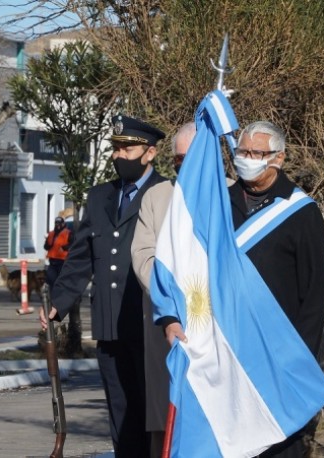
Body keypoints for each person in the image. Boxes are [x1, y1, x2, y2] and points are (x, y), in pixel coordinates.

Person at [162, 120, 324, 457]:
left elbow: (313, 296)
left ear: (278, 158)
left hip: (274, 357)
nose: (247, 159)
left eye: (256, 153)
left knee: (277, 444)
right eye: (242, 152)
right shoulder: (218, 205)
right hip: (220, 352)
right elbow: (185, 263)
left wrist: (296, 361)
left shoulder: (301, 212)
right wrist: (170, 316)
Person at [42, 114, 167, 457]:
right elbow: (81, 257)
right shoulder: (100, 196)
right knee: (120, 412)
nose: (119, 155)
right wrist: (59, 302)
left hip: (148, 325)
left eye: (128, 148)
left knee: (151, 413)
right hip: (110, 323)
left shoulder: (165, 194)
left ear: (150, 153)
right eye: (116, 148)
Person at [130, 121, 196, 457]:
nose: (184, 165)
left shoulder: (231, 195)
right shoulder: (157, 196)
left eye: (192, 156)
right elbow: (143, 255)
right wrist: (171, 296)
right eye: (179, 159)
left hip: (214, 323)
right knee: (164, 421)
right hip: (165, 320)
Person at [43, 216, 72, 291]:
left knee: (62, 281)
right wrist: (48, 244)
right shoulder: (51, 233)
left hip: (63, 261)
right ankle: (53, 300)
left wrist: (65, 247)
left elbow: (73, 245)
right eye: (56, 223)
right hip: (52, 261)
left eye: (59, 223)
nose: (58, 225)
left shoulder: (68, 233)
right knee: (51, 281)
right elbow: (46, 247)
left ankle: (62, 298)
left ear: (63, 224)